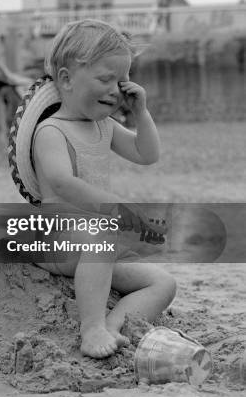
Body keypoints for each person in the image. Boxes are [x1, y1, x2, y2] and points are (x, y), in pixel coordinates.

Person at [17, 19, 177, 358]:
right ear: (66, 79)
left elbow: (147, 154)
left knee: (162, 282)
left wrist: (142, 114)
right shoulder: (51, 132)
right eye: (105, 79)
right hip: (56, 237)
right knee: (100, 238)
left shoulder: (105, 126)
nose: (115, 90)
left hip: (95, 239)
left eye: (121, 81)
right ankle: (90, 329)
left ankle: (114, 323)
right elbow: (63, 183)